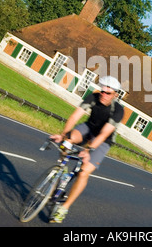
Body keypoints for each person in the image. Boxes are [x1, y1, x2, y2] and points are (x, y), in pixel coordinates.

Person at [49, 76, 124, 223]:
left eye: (108, 93)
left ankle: (64, 208)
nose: (104, 95)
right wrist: (63, 134)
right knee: (67, 141)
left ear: (115, 94)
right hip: (88, 128)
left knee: (84, 172)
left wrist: (88, 150)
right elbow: (75, 116)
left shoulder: (118, 110)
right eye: (102, 91)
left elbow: (104, 134)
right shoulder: (93, 97)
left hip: (103, 140)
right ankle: (63, 170)